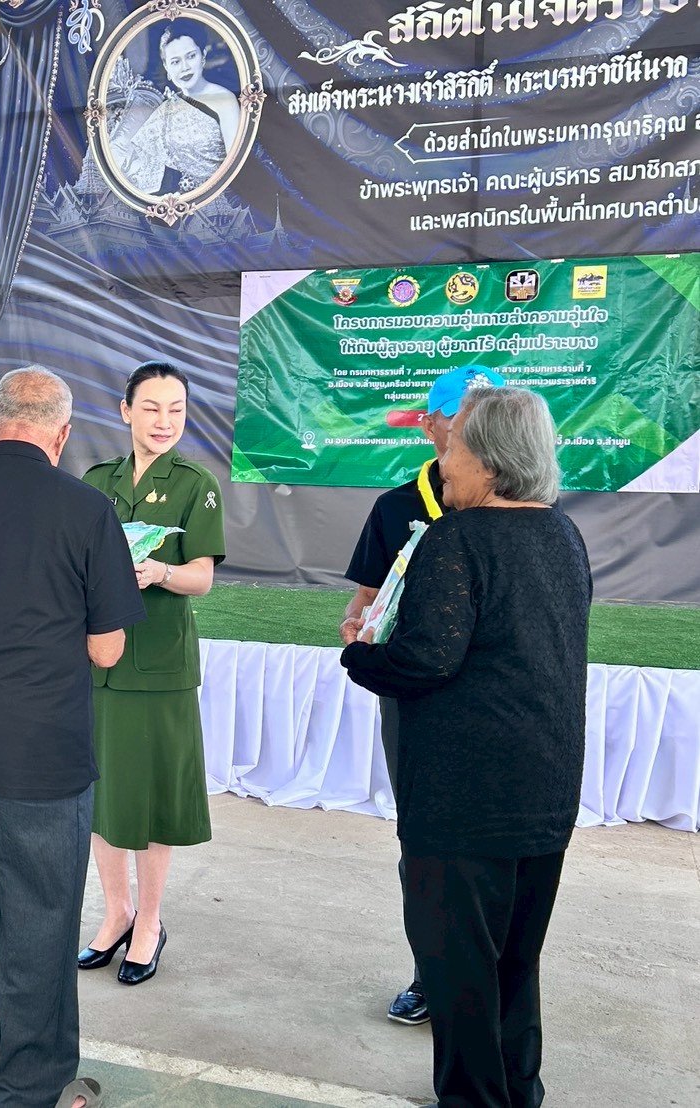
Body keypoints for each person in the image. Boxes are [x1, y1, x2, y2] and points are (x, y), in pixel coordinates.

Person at [341, 387, 591, 1108]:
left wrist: (359, 652)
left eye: (453, 447)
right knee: (514, 964)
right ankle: (518, 1092)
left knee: (459, 974)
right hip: (543, 787)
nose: (442, 461)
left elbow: (425, 659)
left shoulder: (456, 538)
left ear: (489, 460)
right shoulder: (563, 534)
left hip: (463, 795)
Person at [0, 366, 146, 1108]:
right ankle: (30, 1086)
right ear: (62, 434)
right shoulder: (88, 510)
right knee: (40, 920)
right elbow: (106, 649)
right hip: (44, 753)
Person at [342, 365, 506, 1026]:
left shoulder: (516, 506)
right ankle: (430, 974)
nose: (471, 426)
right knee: (426, 840)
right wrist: (361, 628)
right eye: (460, 414)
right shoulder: (395, 508)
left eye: (486, 412)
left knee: (495, 838)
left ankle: (492, 975)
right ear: (431, 424)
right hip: (415, 699)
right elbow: (363, 603)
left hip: (493, 698)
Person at [77, 361, 225, 986]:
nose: (164, 421)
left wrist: (159, 572)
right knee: (103, 796)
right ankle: (116, 913)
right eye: (152, 408)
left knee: (157, 798)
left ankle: (150, 922)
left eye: (176, 410)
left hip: (160, 664)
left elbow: (202, 577)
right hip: (98, 661)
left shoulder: (196, 483)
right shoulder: (95, 481)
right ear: (125, 411)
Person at [113, 20, 241, 195]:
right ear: (166, 67)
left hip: (221, 196)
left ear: (203, 56)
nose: (185, 68)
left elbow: (236, 167)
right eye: (175, 62)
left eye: (191, 56)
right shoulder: (167, 108)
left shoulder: (224, 100)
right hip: (174, 199)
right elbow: (142, 161)